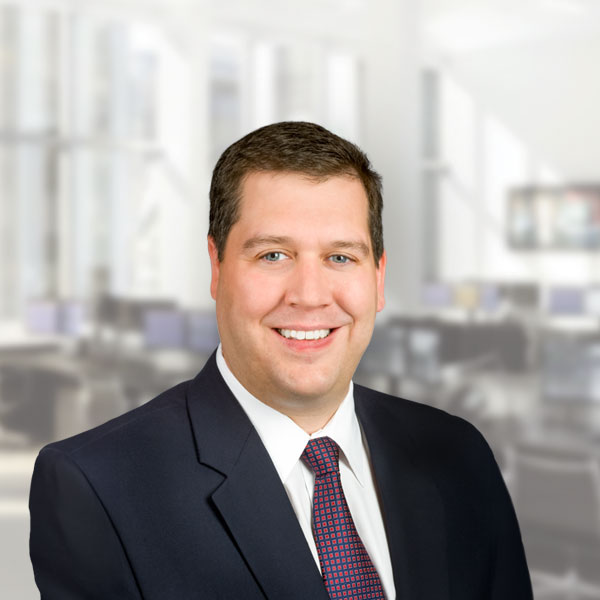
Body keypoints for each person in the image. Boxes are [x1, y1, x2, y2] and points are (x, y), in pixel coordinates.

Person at [29, 122, 533, 599]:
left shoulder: (458, 455)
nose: (310, 296)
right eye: (273, 255)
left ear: (378, 278)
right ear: (217, 266)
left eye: (341, 257)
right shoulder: (97, 486)